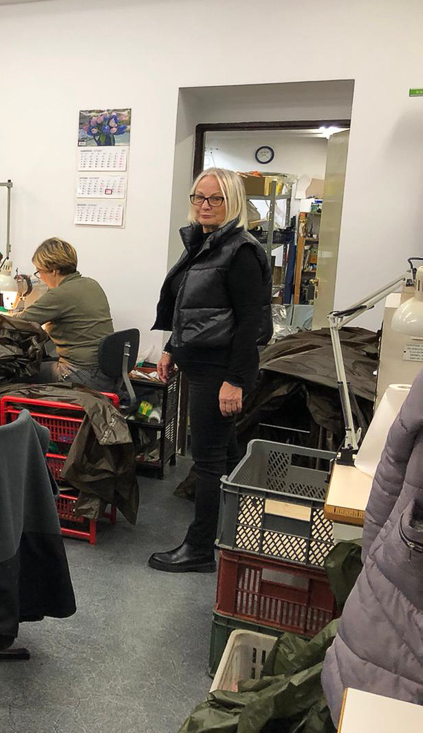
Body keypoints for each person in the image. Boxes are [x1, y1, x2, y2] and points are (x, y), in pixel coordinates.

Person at [149, 167, 272, 573]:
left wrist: (235, 380)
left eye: (214, 199)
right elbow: (192, 307)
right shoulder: (204, 243)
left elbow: (250, 322)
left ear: (232, 202)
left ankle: (200, 548)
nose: (204, 205)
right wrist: (171, 348)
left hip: (219, 369)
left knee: (207, 460)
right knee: (227, 453)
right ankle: (239, 532)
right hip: (199, 362)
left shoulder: (240, 251)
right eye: (198, 198)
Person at [16, 238, 116, 391]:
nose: (40, 277)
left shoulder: (60, 294)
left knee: (13, 372)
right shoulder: (91, 283)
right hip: (105, 372)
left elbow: (17, 322)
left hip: (81, 374)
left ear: (54, 270)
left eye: (39, 271)